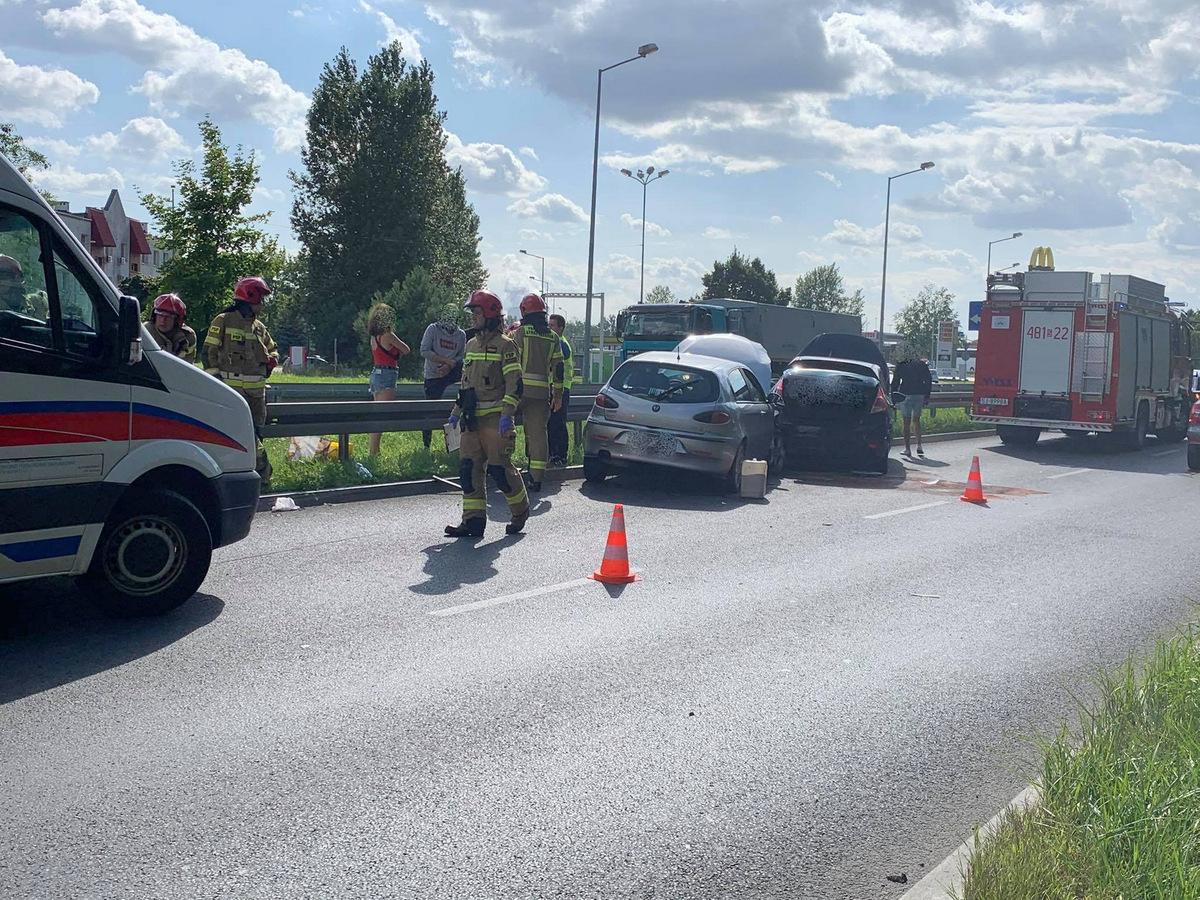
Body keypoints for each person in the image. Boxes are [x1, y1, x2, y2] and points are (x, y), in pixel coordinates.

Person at [444, 290, 529, 538]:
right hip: (471, 421)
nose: (473, 317)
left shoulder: (506, 345)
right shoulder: (471, 345)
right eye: (472, 312)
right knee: (468, 471)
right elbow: (465, 384)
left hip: (496, 421)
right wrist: (456, 412)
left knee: (500, 472)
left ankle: (520, 511)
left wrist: (507, 415)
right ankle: (472, 522)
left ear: (490, 314)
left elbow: (515, 384)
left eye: (477, 312)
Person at [204, 276, 279, 486]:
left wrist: (272, 361)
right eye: (260, 298)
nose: (262, 304)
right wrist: (217, 383)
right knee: (240, 438)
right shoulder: (223, 320)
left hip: (257, 395)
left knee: (256, 436)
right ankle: (261, 476)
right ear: (250, 296)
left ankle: (254, 478)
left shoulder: (259, 327)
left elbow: (273, 349)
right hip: (232, 393)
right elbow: (208, 352)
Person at [513, 293, 563, 491]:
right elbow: (558, 369)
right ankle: (536, 479)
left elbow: (512, 361)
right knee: (538, 435)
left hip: (517, 391)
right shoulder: (553, 337)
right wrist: (557, 395)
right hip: (541, 394)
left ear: (524, 311)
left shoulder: (521, 333)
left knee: (500, 425)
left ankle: (501, 470)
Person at [366, 302, 411, 457]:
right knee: (382, 415)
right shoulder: (388, 335)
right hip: (387, 373)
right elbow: (406, 349)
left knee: (378, 413)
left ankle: (374, 450)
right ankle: (374, 452)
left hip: (376, 373)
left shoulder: (374, 337)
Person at [419, 314, 466, 450]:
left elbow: (461, 356)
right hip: (434, 376)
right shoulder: (433, 329)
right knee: (430, 412)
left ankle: (453, 446)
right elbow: (424, 350)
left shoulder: (461, 335)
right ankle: (426, 446)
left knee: (453, 409)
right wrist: (445, 361)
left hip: (451, 376)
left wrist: (450, 366)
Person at [892, 347, 933, 457]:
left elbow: (895, 382)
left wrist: (894, 398)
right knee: (916, 420)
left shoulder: (901, 365)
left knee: (906, 422)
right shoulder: (922, 364)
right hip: (919, 394)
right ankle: (919, 445)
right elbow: (928, 380)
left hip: (905, 395)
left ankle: (907, 449)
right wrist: (927, 396)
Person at [547, 313, 573, 466]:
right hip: (554, 387)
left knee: (558, 424)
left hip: (561, 389)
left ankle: (560, 456)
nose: (549, 328)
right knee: (552, 424)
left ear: (560, 328)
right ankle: (553, 455)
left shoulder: (561, 344)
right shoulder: (556, 342)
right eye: (548, 325)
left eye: (552, 326)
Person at [147, 293, 197, 363]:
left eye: (168, 317)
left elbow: (187, 364)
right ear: (154, 316)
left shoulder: (188, 336)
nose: (163, 320)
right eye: (160, 315)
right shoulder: (145, 331)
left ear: (177, 320)